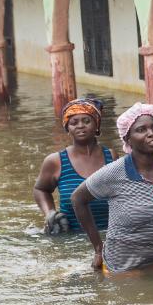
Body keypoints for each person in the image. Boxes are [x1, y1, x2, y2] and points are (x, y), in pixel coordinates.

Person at [71, 102, 153, 273]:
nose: (151, 133)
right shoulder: (114, 172)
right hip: (121, 270)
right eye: (141, 130)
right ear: (128, 139)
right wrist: (98, 249)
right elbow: (77, 199)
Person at [33, 99, 115, 234]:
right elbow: (40, 189)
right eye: (74, 123)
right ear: (67, 128)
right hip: (70, 237)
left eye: (86, 121)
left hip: (108, 234)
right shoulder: (56, 161)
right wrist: (50, 213)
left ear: (97, 125)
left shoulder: (111, 157)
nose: (80, 126)